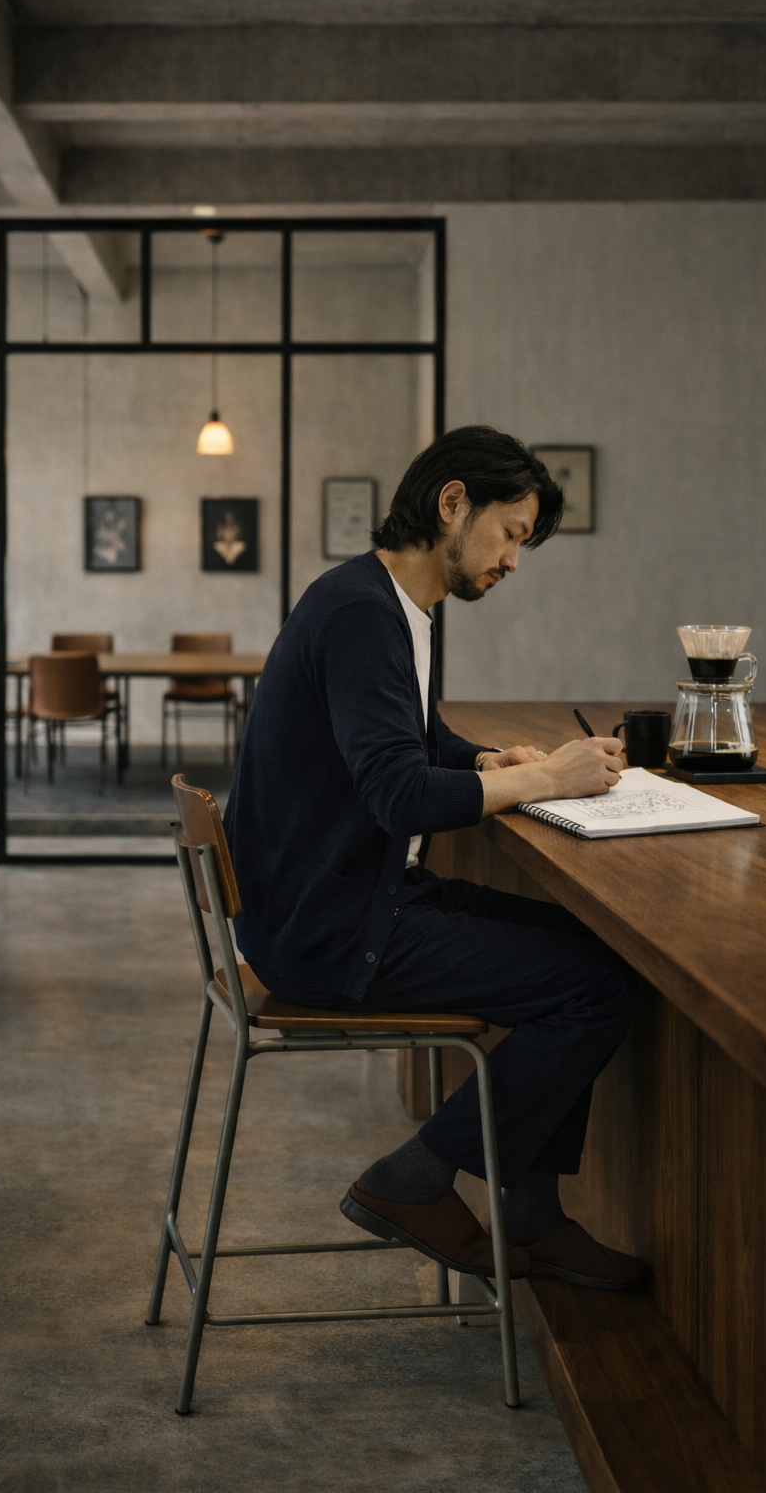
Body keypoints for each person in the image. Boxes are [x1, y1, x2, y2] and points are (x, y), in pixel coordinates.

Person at [224, 426, 647, 1288]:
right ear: (453, 503)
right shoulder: (359, 613)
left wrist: (488, 761)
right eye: (511, 535)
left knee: (601, 956)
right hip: (330, 929)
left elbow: (412, 742)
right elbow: (398, 795)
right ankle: (417, 1175)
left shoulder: (385, 603)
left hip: (345, 902)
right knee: (596, 985)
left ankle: (531, 1212)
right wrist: (553, 777)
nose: (513, 562)